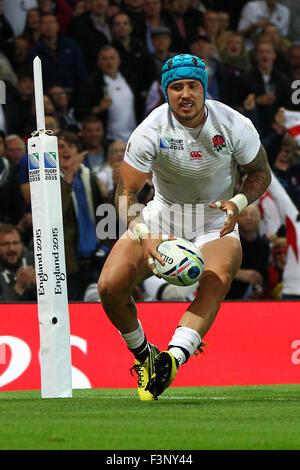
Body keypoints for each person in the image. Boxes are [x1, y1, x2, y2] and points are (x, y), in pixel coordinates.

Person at [98, 53, 271, 401]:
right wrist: (146, 239)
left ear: (204, 89)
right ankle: (145, 356)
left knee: (217, 278)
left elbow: (260, 174)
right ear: (167, 92)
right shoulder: (150, 130)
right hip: (162, 217)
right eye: (176, 87)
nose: (185, 94)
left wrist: (237, 204)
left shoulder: (234, 124)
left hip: (213, 219)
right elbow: (126, 193)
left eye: (193, 85)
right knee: (109, 286)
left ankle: (173, 359)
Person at [0, 223, 36, 301]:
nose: (12, 249)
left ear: (22, 245)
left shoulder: (34, 261)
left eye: (15, 243)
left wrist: (40, 285)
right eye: (6, 244)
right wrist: (19, 288)